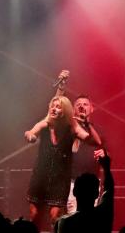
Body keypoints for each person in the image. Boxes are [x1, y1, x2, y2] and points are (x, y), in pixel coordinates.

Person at [25, 95, 96, 225]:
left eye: (58, 107)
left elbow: (94, 141)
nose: (54, 109)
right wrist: (30, 136)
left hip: (60, 180)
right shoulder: (45, 124)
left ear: (65, 111)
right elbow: (31, 132)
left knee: (55, 217)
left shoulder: (71, 128)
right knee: (34, 215)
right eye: (52, 106)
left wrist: (88, 125)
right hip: (40, 177)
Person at [52, 70, 106, 213]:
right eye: (78, 104)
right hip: (71, 183)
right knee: (74, 216)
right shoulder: (68, 127)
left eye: (85, 104)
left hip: (92, 183)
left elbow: (105, 151)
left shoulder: (98, 131)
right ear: (73, 109)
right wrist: (61, 87)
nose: (82, 106)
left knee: (90, 219)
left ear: (92, 109)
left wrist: (104, 154)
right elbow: (55, 108)